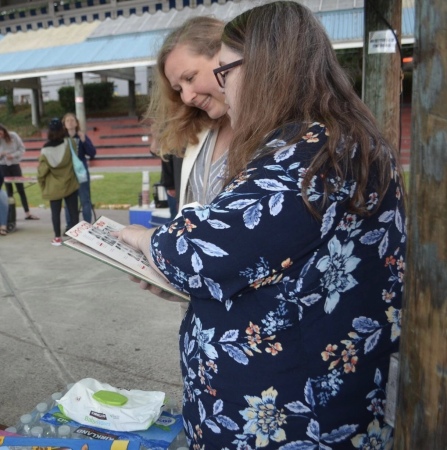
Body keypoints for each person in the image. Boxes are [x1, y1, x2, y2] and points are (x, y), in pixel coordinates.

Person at [116, 2, 407, 448]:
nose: (221, 86)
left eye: (225, 72)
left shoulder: (310, 151)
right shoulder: (331, 139)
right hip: (303, 395)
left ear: (265, 66)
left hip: (293, 413)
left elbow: (202, 252)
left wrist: (141, 236)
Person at [146, 16, 231, 212]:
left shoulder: (280, 132)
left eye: (190, 78)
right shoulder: (194, 132)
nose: (186, 97)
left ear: (226, 55)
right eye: (178, 89)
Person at [37, 118, 79, 246]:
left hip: (53, 186)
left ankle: (57, 238)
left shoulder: (45, 149)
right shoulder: (70, 142)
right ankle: (77, 238)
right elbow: (75, 159)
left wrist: (41, 182)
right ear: (62, 129)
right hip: (70, 182)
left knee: (55, 213)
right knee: (73, 211)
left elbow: (42, 171)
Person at [62, 113, 96, 223]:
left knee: (85, 200)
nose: (70, 122)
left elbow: (92, 153)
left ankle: (87, 225)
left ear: (76, 123)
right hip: (67, 173)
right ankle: (70, 225)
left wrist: (84, 141)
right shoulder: (62, 139)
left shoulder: (82, 136)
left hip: (81, 173)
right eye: (67, 120)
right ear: (64, 124)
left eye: (72, 120)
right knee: (68, 201)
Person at [0, 123, 39, 220]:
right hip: (3, 166)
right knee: (9, 192)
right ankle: (10, 215)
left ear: (3, 131)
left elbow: (22, 149)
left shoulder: (13, 136)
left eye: (1, 133)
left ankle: (27, 213)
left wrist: (12, 155)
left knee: (21, 189)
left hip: (14, 165)